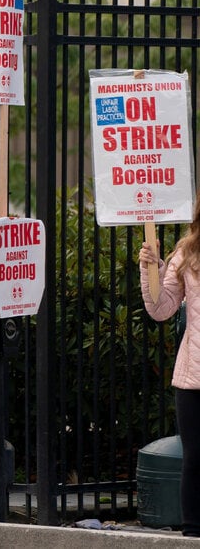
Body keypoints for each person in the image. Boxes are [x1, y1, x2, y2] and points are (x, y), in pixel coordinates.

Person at [138, 210, 200, 538]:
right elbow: (162, 309)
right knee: (195, 459)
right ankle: (192, 535)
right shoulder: (188, 252)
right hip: (194, 375)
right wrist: (152, 268)